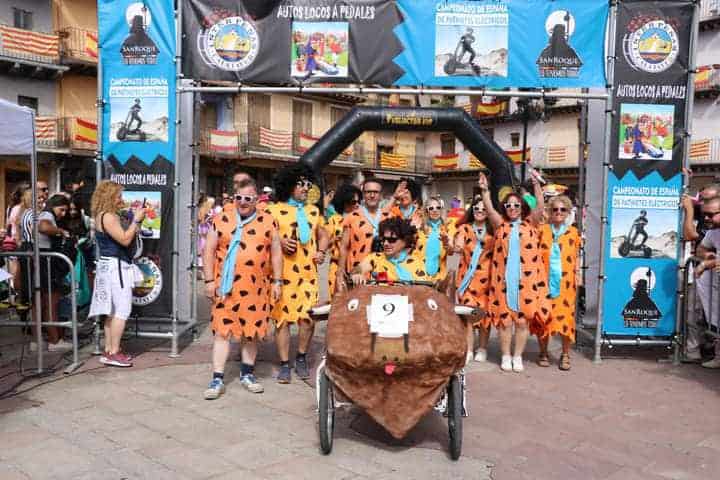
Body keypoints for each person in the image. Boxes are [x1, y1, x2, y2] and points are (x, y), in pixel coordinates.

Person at [202, 178, 283, 398]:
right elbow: (208, 251)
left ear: (256, 199)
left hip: (256, 288)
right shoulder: (221, 219)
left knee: (251, 333)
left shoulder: (269, 221)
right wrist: (208, 281)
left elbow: (276, 253)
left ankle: (247, 374)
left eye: (248, 198)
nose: (243, 202)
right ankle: (217, 379)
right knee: (222, 332)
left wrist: (278, 281)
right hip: (225, 288)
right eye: (239, 197)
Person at [266, 164, 329, 383]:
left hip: (308, 275)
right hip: (282, 275)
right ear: (289, 185)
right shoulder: (273, 211)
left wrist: (321, 252)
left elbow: (324, 235)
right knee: (282, 321)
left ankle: (301, 356)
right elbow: (264, 238)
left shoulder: (313, 211)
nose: (305, 188)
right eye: (301, 184)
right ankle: (284, 364)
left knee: (308, 319)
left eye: (308, 184)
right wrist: (280, 242)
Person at [483, 175, 548, 372]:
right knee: (505, 322)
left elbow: (540, 207)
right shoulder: (500, 225)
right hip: (503, 281)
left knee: (522, 321)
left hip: (526, 282)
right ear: (504, 208)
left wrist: (536, 185)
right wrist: (485, 190)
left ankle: (517, 356)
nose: (512, 208)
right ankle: (505, 355)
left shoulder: (531, 224)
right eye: (509, 205)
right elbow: (489, 209)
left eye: (516, 205)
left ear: (522, 208)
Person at [88, 181, 146, 367]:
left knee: (111, 311)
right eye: (119, 195)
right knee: (122, 310)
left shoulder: (102, 215)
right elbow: (125, 240)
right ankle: (114, 352)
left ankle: (110, 350)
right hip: (117, 266)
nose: (121, 199)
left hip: (110, 265)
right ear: (110, 196)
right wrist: (136, 221)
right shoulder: (109, 216)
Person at [534, 195, 581, 370]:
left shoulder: (573, 232)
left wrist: (578, 273)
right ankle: (543, 352)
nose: (559, 212)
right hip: (543, 282)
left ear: (568, 212)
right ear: (550, 212)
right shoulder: (542, 230)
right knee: (543, 317)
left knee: (566, 318)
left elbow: (576, 256)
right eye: (555, 209)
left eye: (563, 209)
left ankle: (565, 354)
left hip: (566, 283)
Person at [454, 191, 494, 363]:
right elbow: (458, 245)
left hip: (487, 280)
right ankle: (469, 348)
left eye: (483, 209)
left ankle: (482, 348)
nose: (479, 211)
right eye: (476, 208)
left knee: (484, 316)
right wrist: (453, 246)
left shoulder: (494, 231)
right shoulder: (465, 228)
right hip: (467, 280)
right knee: (469, 314)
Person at [335, 178, 391, 292]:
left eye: (375, 192)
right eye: (368, 192)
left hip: (384, 274)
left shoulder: (390, 217)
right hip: (357, 276)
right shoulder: (352, 217)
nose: (372, 195)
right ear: (363, 194)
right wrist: (340, 273)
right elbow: (344, 247)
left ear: (381, 195)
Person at [36, 194, 73, 350]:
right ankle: (54, 340)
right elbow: (43, 227)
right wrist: (61, 231)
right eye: (61, 210)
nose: (63, 214)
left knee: (45, 302)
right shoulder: (47, 214)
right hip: (46, 261)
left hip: (43, 260)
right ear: (53, 206)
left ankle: (44, 339)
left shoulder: (46, 214)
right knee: (51, 301)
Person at [351, 217, 426, 284]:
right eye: (383, 239)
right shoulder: (375, 257)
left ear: (405, 241)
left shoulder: (418, 260)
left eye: (391, 240)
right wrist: (356, 275)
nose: (386, 243)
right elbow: (358, 269)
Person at [325, 183, 361, 297]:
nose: (357, 205)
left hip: (356, 268)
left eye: (359, 202)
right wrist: (335, 238)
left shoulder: (361, 220)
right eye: (353, 202)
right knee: (337, 300)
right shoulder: (334, 220)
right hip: (336, 266)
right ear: (344, 202)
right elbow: (324, 244)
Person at [415, 196, 450, 283]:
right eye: (431, 208)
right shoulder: (419, 229)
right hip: (420, 276)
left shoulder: (448, 228)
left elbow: (451, 251)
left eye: (438, 207)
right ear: (426, 211)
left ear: (441, 210)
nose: (435, 210)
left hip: (440, 277)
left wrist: (446, 243)